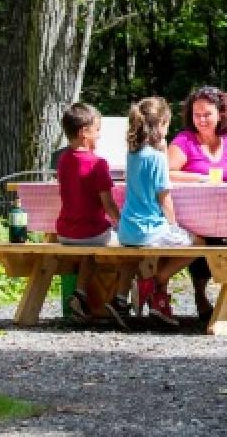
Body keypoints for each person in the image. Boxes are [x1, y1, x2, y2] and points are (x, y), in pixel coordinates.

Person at [166, 86, 227, 317]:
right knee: (206, 236)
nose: (201, 120)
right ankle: (201, 293)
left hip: (226, 216)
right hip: (190, 216)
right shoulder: (184, 141)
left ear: (221, 113)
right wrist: (200, 178)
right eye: (196, 114)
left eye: (207, 114)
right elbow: (166, 173)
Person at [54, 103, 132, 328]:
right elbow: (108, 204)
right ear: (84, 133)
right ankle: (119, 300)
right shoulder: (98, 163)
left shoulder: (63, 160)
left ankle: (80, 296)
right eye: (97, 129)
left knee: (89, 253)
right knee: (131, 247)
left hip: (65, 233)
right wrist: (122, 223)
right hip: (91, 233)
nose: (99, 134)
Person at [118, 97, 194, 327]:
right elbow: (165, 197)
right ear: (161, 124)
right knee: (198, 243)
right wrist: (174, 225)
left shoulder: (132, 154)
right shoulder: (158, 158)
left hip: (127, 230)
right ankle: (154, 281)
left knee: (162, 245)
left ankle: (156, 297)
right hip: (150, 230)